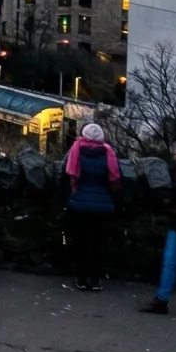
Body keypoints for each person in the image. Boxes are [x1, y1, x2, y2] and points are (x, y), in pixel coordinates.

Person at [63, 122, 121, 292]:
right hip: (102, 206)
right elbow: (116, 179)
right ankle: (95, 280)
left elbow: (66, 175)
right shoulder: (108, 152)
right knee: (98, 244)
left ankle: (81, 279)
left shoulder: (76, 150)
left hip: (79, 204)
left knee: (81, 242)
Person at [141, 139, 176, 314]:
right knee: (169, 261)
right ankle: (161, 299)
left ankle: (161, 300)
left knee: (171, 261)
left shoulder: (175, 172)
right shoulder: (175, 171)